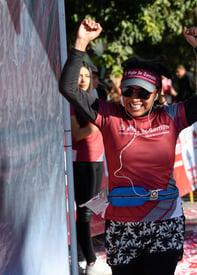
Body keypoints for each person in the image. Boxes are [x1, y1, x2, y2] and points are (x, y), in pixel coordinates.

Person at [59, 19, 197, 275]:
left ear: (157, 94)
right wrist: (81, 42)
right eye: (129, 91)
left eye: (143, 93)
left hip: (164, 221)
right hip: (122, 225)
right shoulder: (108, 115)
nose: (134, 99)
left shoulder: (171, 116)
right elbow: (68, 87)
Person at [71, 62, 111, 275]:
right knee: (85, 212)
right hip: (82, 162)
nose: (84, 79)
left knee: (92, 209)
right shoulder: (70, 101)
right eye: (80, 75)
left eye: (87, 75)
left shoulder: (91, 99)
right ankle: (91, 261)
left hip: (97, 159)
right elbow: (76, 134)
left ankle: (79, 259)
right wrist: (96, 125)